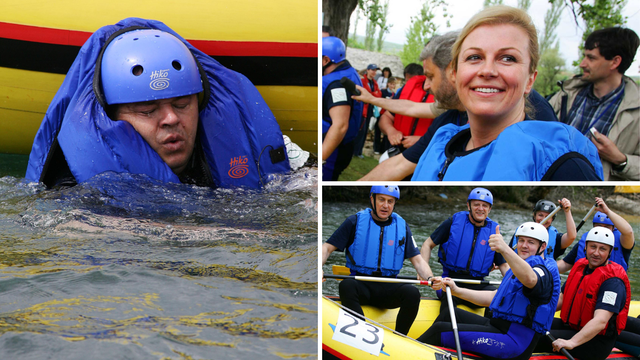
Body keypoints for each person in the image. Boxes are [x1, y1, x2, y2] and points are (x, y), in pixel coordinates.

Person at [25, 18, 290, 189]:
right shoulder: (74, 190)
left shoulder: (251, 144)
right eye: (148, 111)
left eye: (182, 105)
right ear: (112, 118)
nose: (171, 119)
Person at [410, 6, 603, 181]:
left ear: (530, 79)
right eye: (474, 57)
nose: (487, 70)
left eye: (508, 58)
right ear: (454, 73)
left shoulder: (562, 164)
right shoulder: (442, 141)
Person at [355, 29, 561, 181]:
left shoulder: (535, 112)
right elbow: (400, 163)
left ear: (453, 72)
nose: (425, 86)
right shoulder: (449, 117)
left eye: (430, 76)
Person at [418, 222, 561, 360]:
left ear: (542, 246)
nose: (524, 245)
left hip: (515, 343)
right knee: (450, 314)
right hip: (498, 327)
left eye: (531, 242)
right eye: (521, 240)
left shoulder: (544, 271)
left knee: (440, 330)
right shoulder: (517, 268)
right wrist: (456, 290)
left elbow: (531, 279)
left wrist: (504, 249)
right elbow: (493, 297)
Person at [321, 185, 433, 335]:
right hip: (361, 284)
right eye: (381, 200)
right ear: (372, 199)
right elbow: (327, 248)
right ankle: (361, 333)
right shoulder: (354, 222)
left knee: (412, 292)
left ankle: (400, 336)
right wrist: (318, 267)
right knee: (346, 285)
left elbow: (418, 261)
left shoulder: (402, 226)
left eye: (390, 201)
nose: (385, 205)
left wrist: (431, 278)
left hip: (389, 287)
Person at [548, 27, 640, 181]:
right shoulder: (564, 94)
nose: (582, 64)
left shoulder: (636, 110)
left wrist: (620, 159)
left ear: (615, 62)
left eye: (591, 58)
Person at [534, 227, 631, 360]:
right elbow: (562, 298)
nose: (596, 253)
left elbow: (601, 321)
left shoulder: (613, 282)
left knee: (533, 337)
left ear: (609, 252)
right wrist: (534, 313)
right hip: (573, 326)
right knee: (529, 326)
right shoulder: (581, 267)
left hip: (595, 342)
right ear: (585, 247)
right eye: (593, 247)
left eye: (602, 249)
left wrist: (571, 342)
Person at [419, 188, 508, 312]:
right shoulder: (454, 222)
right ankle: (445, 327)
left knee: (501, 298)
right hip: (450, 280)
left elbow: (503, 265)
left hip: (478, 285)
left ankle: (489, 329)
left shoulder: (494, 231)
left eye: (484, 205)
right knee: (449, 296)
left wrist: (512, 283)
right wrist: (423, 271)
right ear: (468, 206)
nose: (480, 209)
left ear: (489, 209)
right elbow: (427, 244)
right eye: (476, 204)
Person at [321, 36, 364, 181]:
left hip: (334, 149)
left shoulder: (336, 84)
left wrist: (321, 158)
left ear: (326, 60)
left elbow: (340, 125)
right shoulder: (350, 73)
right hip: (342, 146)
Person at [557, 197, 635, 272]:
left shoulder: (622, 241)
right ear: (593, 227)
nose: (602, 230)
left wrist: (607, 211)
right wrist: (547, 266)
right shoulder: (587, 241)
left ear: (613, 228)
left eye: (607, 227)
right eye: (599, 226)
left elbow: (629, 232)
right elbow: (565, 264)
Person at [377, 63, 435, 156]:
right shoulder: (406, 90)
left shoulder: (450, 98)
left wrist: (422, 141)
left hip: (423, 157)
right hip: (397, 152)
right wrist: (391, 131)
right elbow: (386, 117)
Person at [509, 199, 576, 260]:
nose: (544, 219)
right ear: (534, 215)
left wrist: (567, 211)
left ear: (552, 219)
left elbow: (571, 237)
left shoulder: (555, 238)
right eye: (540, 215)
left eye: (548, 217)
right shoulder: (521, 233)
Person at [353, 64, 382, 158]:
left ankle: (359, 151)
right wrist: (372, 95)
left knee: (365, 130)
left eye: (375, 70)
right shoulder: (363, 81)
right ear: (368, 70)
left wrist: (370, 95)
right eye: (372, 70)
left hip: (370, 107)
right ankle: (355, 151)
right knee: (361, 129)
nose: (374, 72)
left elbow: (379, 94)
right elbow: (363, 93)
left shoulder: (374, 82)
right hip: (363, 107)